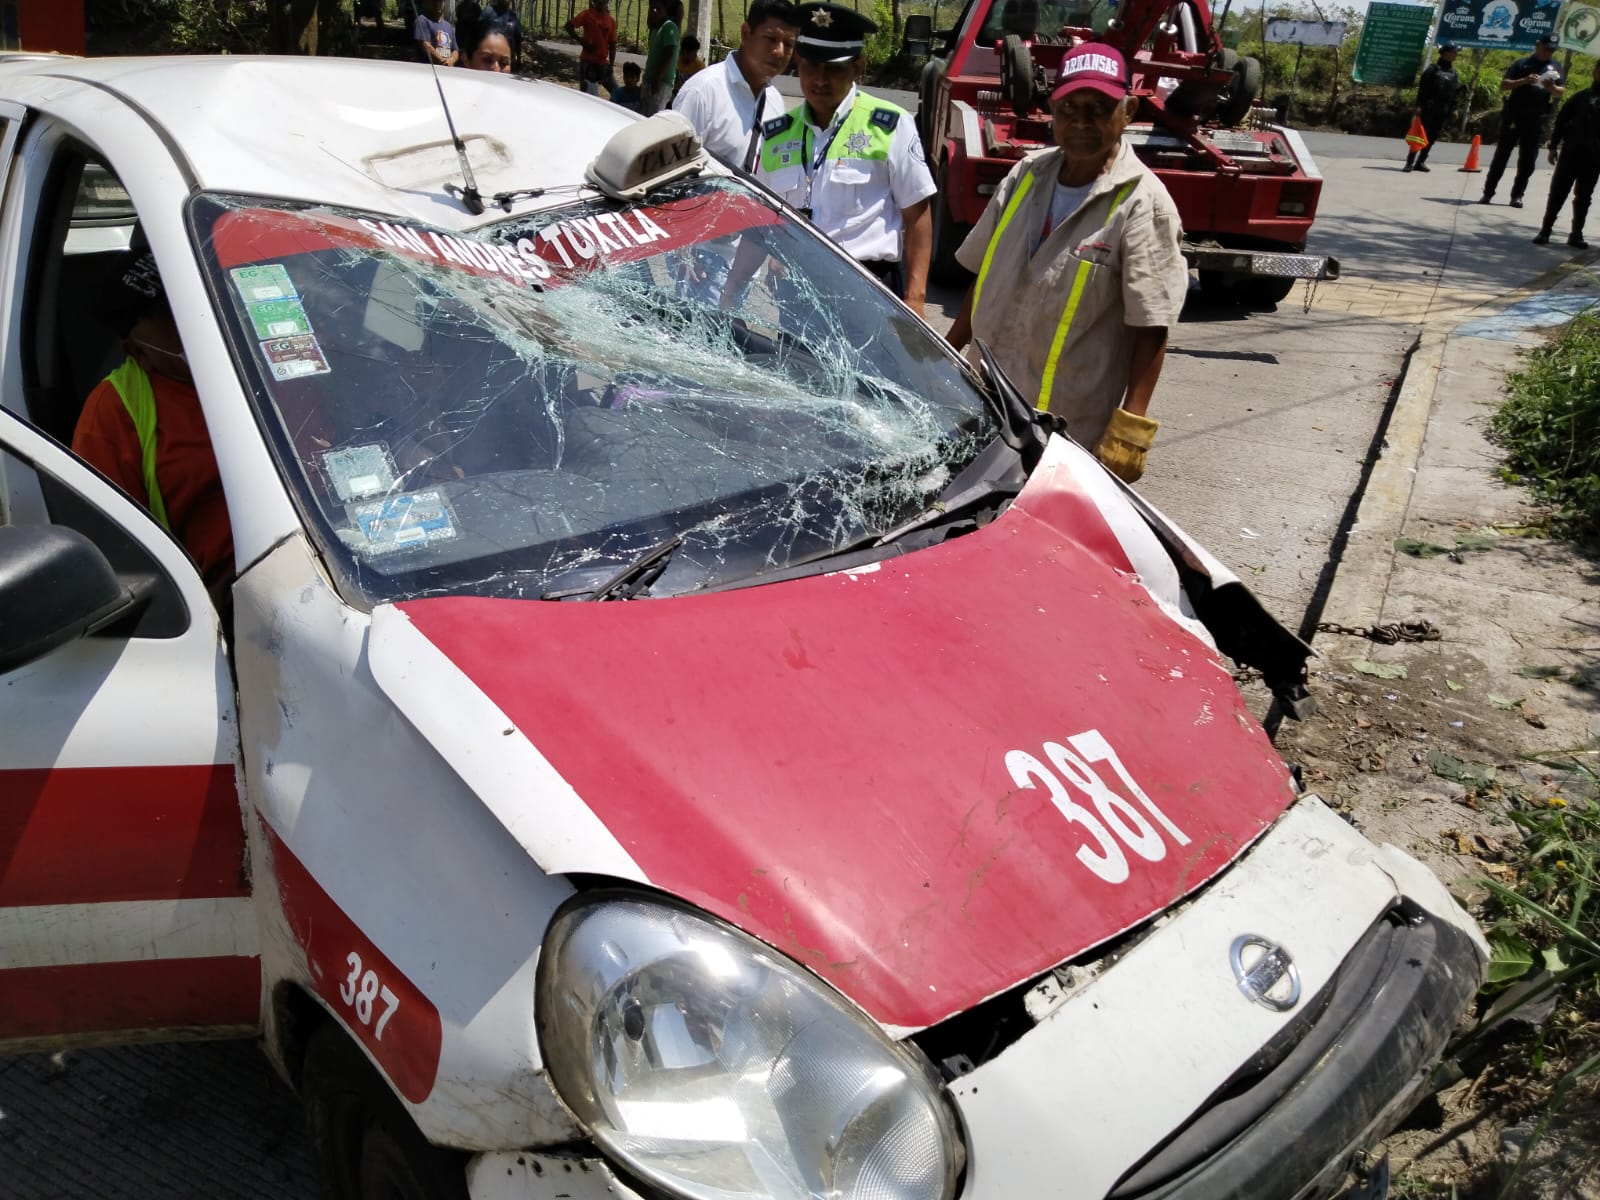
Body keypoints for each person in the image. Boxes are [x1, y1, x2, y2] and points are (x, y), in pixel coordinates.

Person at [945, 42, 1188, 484]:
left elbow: (1151, 325)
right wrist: (944, 353)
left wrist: (1132, 425)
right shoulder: (1026, 175)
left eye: (1098, 108)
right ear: (1052, 112)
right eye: (1069, 108)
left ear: (1128, 111)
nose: (1081, 122)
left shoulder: (1143, 204)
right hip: (985, 401)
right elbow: (986, 278)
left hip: (1065, 425)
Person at [748, 3, 936, 314]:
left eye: (834, 68)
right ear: (798, 61)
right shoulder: (777, 135)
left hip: (868, 291)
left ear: (858, 67)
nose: (820, 79)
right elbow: (760, 223)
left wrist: (915, 300)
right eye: (810, 66)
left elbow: (917, 215)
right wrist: (730, 295)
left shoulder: (890, 125)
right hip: (797, 293)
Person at [72, 251, 234, 595]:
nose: (192, 319)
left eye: (194, 298)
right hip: (225, 591)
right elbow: (115, 550)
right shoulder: (115, 410)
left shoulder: (273, 359)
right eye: (168, 315)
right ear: (137, 350)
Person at [672, 0, 800, 171]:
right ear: (746, 33)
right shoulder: (702, 92)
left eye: (789, 44)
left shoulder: (775, 101)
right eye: (771, 39)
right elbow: (672, 173)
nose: (779, 51)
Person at [1482, 34, 1565, 207]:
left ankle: (1517, 195)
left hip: (1536, 119)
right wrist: (1524, 81)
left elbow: (1560, 92)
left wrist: (1551, 87)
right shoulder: (1521, 64)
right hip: (1514, 116)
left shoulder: (1555, 66)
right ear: (1537, 45)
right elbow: (1504, 85)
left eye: (1552, 50)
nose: (1548, 52)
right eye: (1546, 48)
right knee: (1501, 156)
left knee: (1528, 161)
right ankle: (1488, 193)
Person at [1534, 59, 1600, 247]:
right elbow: (1561, 121)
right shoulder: (1581, 97)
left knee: (1584, 197)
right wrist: (1553, 146)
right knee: (1557, 193)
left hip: (1594, 157)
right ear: (1595, 72)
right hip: (1571, 153)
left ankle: (1576, 234)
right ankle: (1545, 231)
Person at [1405, 41, 1460, 173]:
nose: (1455, 55)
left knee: (1432, 137)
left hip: (1442, 110)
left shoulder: (1453, 73)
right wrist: (1418, 106)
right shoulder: (1432, 70)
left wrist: (1454, 109)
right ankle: (1409, 162)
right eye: (1453, 52)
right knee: (1419, 136)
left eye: (1455, 53)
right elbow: (1423, 90)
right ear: (1445, 53)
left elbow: (1453, 93)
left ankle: (1421, 162)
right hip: (1428, 108)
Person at [565, 0, 618, 96]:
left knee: (616, 92)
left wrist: (611, 65)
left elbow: (613, 45)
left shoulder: (611, 21)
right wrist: (582, 42)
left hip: (603, 64)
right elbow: (568, 26)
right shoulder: (587, 15)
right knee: (586, 96)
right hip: (587, 63)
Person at [642, 0, 684, 115]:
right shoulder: (656, 28)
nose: (654, 12)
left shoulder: (669, 28)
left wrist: (657, 80)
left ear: (665, 10)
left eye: (658, 9)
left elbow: (669, 55)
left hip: (661, 82)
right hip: (650, 80)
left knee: (652, 119)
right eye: (652, 9)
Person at [413, 0, 459, 66]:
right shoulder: (422, 20)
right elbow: (425, 45)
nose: (437, 4)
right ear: (426, 3)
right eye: (434, 1)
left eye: (440, 1)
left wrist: (451, 60)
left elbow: (455, 50)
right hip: (428, 70)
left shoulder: (448, 26)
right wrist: (442, 61)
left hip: (447, 71)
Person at [482, 0, 523, 67]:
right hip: (488, 60)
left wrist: (519, 58)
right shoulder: (488, 12)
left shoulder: (513, 17)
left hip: (506, 62)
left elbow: (518, 39)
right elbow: (476, 34)